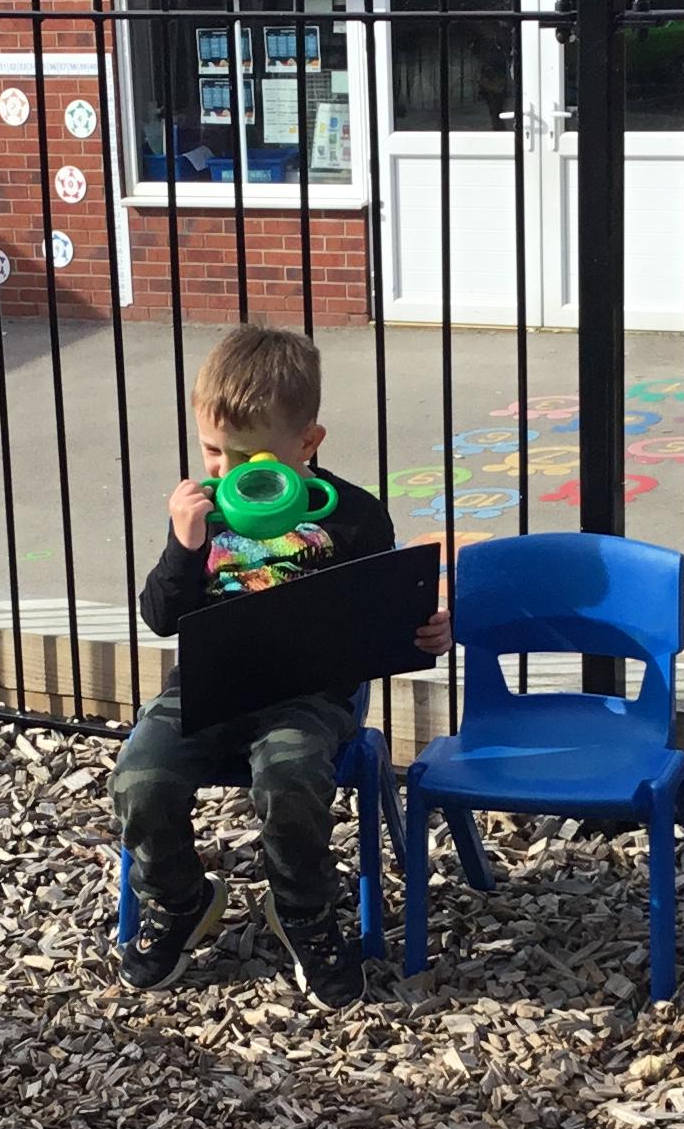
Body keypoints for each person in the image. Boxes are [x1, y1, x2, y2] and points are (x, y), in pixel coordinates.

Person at [112, 322, 448, 1006]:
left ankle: (302, 911)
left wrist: (428, 631)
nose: (225, 471)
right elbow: (161, 617)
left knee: (289, 775)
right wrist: (183, 546)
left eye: (246, 457)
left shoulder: (352, 518)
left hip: (309, 694)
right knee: (140, 775)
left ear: (307, 443)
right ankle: (182, 901)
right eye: (213, 451)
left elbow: (382, 619)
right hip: (208, 688)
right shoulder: (205, 514)